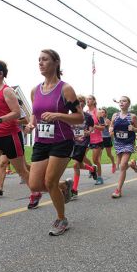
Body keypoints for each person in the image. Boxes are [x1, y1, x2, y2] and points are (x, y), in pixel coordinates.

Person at [25, 49, 84, 236]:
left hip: (61, 139)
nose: (40, 63)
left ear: (56, 63)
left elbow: (79, 117)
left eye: (45, 59)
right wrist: (30, 124)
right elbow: (35, 113)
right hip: (41, 140)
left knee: (49, 182)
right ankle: (64, 187)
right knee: (35, 185)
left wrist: (58, 115)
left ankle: (61, 219)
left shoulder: (65, 89)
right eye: (39, 60)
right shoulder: (35, 90)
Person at [0, 61, 41, 217]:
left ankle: (35, 192)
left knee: (22, 171)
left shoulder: (8, 91)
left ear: (0, 74)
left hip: (11, 136)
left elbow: (17, 113)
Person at [109, 96, 137, 198]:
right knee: (120, 167)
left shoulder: (132, 116)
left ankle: (118, 190)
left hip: (128, 143)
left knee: (122, 166)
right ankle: (131, 164)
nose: (122, 102)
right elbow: (111, 125)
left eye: (124, 101)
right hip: (118, 142)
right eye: (120, 101)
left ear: (128, 104)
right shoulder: (115, 115)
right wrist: (110, 129)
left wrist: (134, 128)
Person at [71, 95, 97, 199]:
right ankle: (92, 169)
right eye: (78, 101)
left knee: (75, 165)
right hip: (72, 142)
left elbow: (91, 128)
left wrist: (88, 132)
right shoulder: (71, 115)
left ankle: (74, 190)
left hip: (83, 142)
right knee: (79, 164)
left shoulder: (88, 116)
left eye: (82, 101)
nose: (80, 103)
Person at [86, 95, 105, 185]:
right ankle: (92, 169)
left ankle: (100, 177)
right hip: (87, 139)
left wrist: (94, 126)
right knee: (80, 156)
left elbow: (102, 127)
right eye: (87, 99)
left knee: (95, 160)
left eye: (89, 99)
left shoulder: (98, 112)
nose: (87, 100)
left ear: (94, 101)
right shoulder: (85, 112)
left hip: (97, 140)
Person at [100, 107, 116, 173]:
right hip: (100, 138)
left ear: (105, 113)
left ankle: (113, 164)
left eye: (103, 112)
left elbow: (111, 130)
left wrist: (107, 126)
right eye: (101, 112)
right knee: (99, 154)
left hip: (107, 138)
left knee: (109, 154)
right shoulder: (98, 120)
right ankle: (97, 168)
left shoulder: (107, 120)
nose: (102, 113)